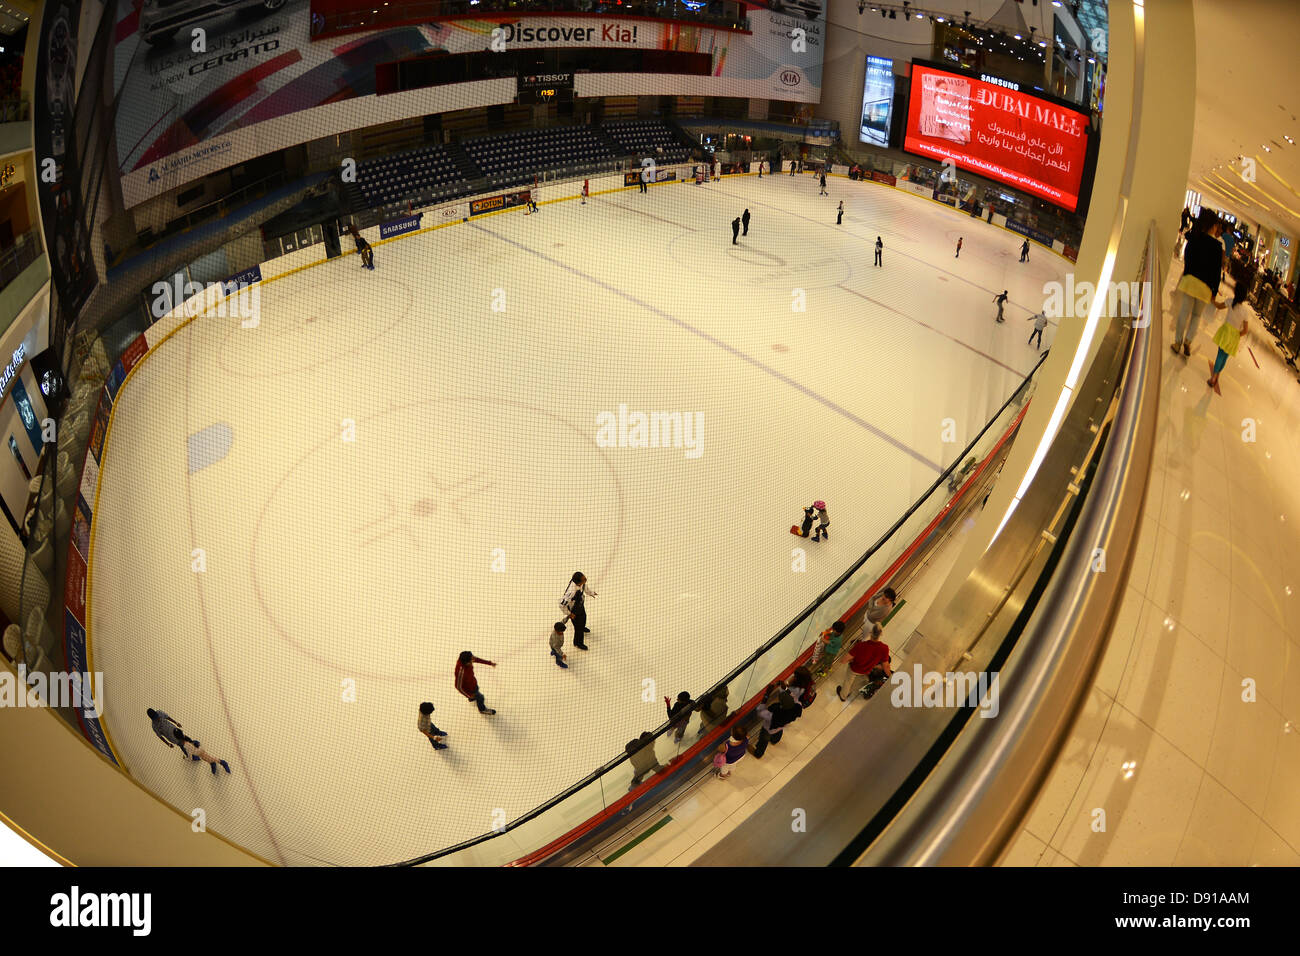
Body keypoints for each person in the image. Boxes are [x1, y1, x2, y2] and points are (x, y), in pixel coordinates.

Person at [1171, 211, 1227, 357]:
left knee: (1184, 311)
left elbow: (1188, 256)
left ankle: (1177, 342)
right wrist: (1213, 292)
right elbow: (1216, 272)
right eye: (1216, 225)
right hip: (1205, 287)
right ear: (1213, 226)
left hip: (1190, 281)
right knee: (1196, 316)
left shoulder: (1195, 237)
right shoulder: (1216, 246)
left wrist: (1188, 273)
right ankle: (1188, 341)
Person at [1207, 276, 1253, 395]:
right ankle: (1217, 374)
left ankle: (1213, 378)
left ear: (1235, 292)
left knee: (1220, 354)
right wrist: (1238, 334)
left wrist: (1212, 300)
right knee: (1225, 357)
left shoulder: (1230, 301)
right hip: (1235, 336)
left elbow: (1219, 306)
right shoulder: (1245, 312)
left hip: (1226, 330)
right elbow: (1245, 330)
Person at [836, 626, 892, 701]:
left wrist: (850, 660)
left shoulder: (860, 646)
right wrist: (890, 676)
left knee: (848, 681)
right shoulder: (884, 648)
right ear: (881, 634)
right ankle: (849, 691)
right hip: (867, 670)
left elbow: (844, 660)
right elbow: (886, 666)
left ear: (870, 633)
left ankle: (843, 696)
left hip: (854, 669)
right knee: (856, 681)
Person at [560, 571, 597, 650]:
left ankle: (582, 627)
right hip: (573, 610)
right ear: (578, 583)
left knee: (583, 618)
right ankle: (578, 643)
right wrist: (569, 613)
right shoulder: (571, 592)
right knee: (578, 628)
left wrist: (591, 593)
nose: (585, 579)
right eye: (584, 579)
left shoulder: (582, 584)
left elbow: (585, 588)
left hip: (580, 605)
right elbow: (561, 604)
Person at [454, 650, 497, 715]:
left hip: (473, 682)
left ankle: (472, 699)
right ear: (466, 663)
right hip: (469, 689)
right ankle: (482, 710)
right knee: (481, 697)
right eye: (471, 660)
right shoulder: (461, 671)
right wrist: (469, 695)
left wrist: (489, 663)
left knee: (476, 691)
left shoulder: (468, 659)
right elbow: (458, 687)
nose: (473, 660)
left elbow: (477, 659)